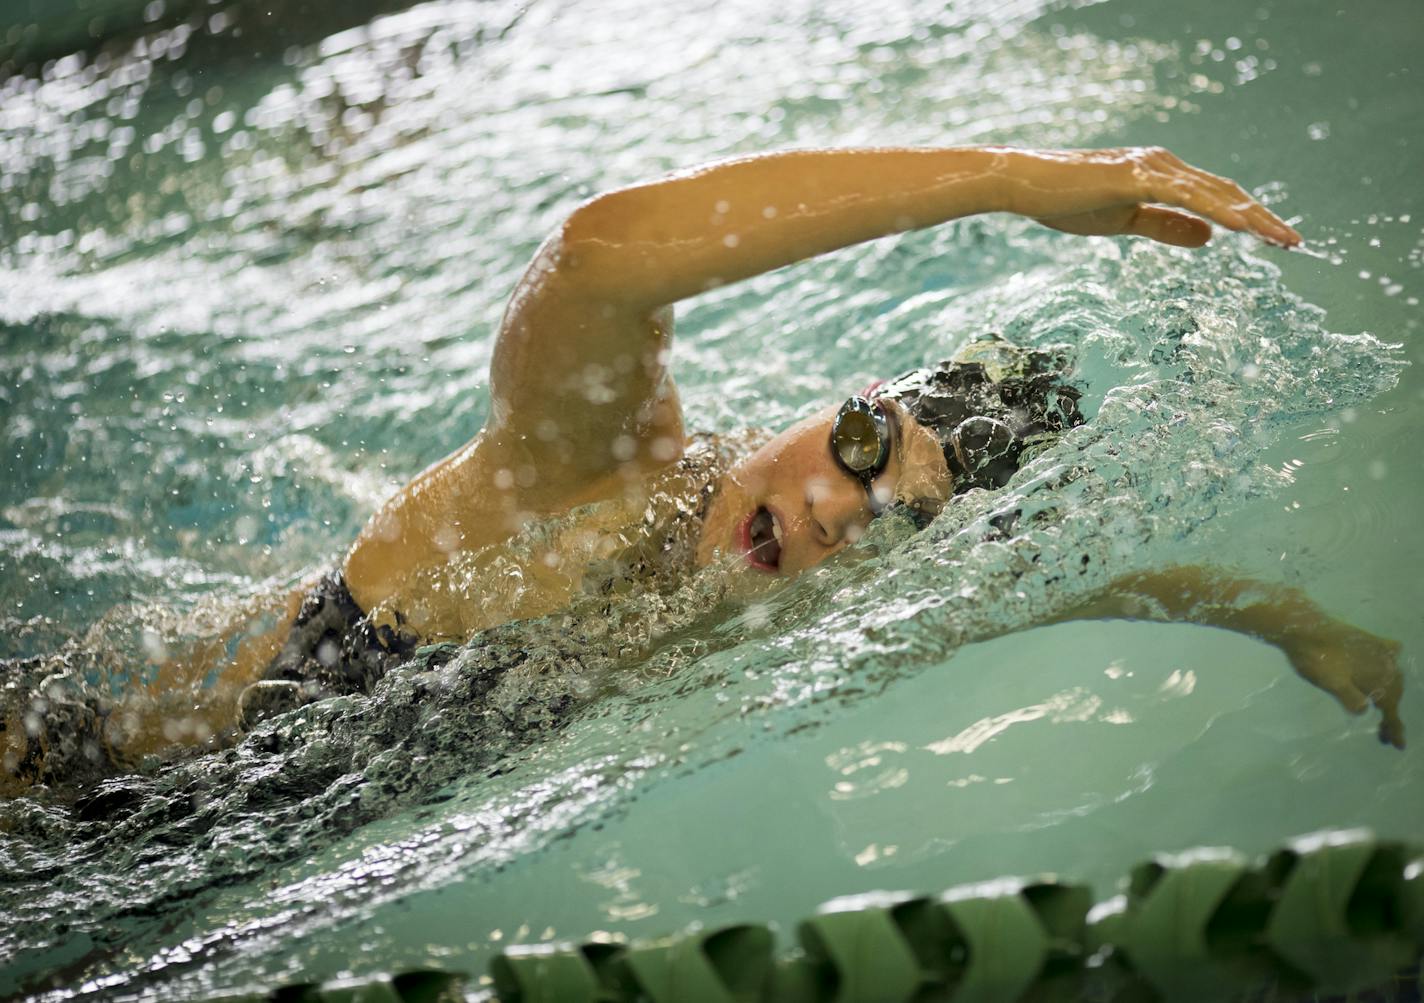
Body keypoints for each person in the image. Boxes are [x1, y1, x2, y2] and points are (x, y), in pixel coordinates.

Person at [0, 146, 1405, 796]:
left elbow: (1058, 590)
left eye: (891, 518)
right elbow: (602, 247)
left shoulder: (775, 615)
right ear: (821, 408)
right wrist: (1009, 182)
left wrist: (1288, 620)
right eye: (860, 443)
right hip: (51, 770)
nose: (835, 508)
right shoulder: (594, 473)